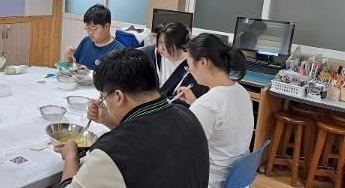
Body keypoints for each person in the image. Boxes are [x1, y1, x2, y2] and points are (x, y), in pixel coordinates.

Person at [55, 48, 209, 188]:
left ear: (118, 96)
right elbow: (149, 141)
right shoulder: (188, 115)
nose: (104, 104)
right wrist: (110, 121)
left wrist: (71, 158)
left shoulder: (110, 153)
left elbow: (132, 147)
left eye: (103, 98)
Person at [176, 33, 254, 188]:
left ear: (203, 62)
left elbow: (182, 152)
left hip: (211, 182)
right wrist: (195, 103)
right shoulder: (241, 92)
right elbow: (222, 121)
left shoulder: (208, 105)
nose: (189, 70)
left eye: (188, 66)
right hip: (236, 180)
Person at [140, 22, 204, 106]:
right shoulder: (149, 54)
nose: (161, 48)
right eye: (159, 42)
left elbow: (187, 102)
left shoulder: (192, 67)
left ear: (181, 45)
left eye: (167, 45)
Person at [64, 4, 125, 70]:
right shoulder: (86, 41)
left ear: (107, 26)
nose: (90, 32)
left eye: (94, 29)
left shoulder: (119, 51)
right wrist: (69, 58)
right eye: (88, 28)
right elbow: (75, 67)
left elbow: (115, 78)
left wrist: (89, 73)